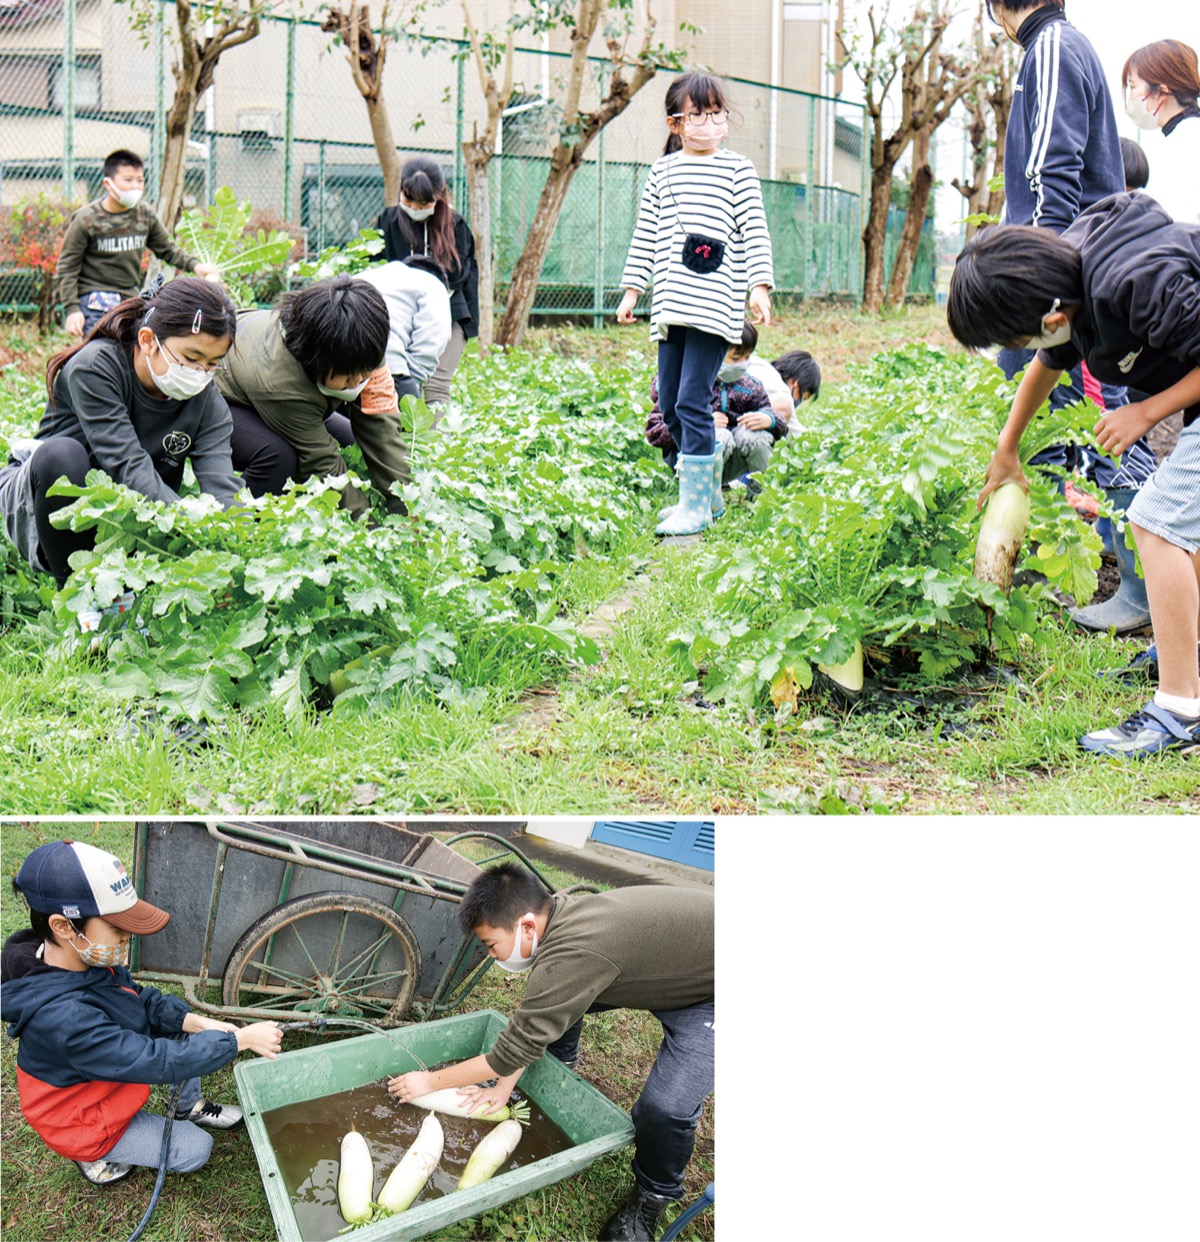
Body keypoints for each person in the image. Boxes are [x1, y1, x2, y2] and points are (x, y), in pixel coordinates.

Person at [946, 192, 1200, 757]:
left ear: (1051, 316)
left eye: (1016, 338)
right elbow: (1048, 363)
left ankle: (1181, 710)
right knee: (1186, 521)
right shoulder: (1070, 283)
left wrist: (1146, 411)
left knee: (1157, 521)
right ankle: (1189, 652)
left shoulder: (1136, 283)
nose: (1024, 348)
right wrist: (1006, 447)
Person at [386, 863, 713, 1241]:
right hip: (673, 966)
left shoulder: (576, 951)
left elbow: (516, 1043)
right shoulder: (558, 916)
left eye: (492, 945)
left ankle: (652, 1195)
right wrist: (503, 1087)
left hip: (711, 991)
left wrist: (428, 1081)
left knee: (664, 1109)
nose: (492, 956)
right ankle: (562, 1058)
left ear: (526, 926)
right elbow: (538, 1015)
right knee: (555, 998)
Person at [987, 0, 1157, 635]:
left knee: (1090, 429)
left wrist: (1043, 286)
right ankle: (1110, 555)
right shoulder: (1061, 45)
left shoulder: (1052, 46)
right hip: (1080, 275)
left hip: (1068, 278)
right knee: (1076, 426)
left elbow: (1049, 178)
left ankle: (1142, 578)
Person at [0, 839, 283, 1186]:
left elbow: (136, 999)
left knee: (187, 1034)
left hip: (106, 1078)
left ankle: (186, 1105)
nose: (127, 938)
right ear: (63, 926)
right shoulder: (64, 1019)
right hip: (84, 1118)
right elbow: (154, 1061)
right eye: (118, 930)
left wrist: (196, 1022)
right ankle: (94, 1153)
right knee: (197, 1149)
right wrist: (237, 1040)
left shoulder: (80, 956)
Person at [0, 277, 242, 590]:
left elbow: (221, 483)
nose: (200, 372)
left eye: (212, 364)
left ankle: (113, 586)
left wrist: (240, 541)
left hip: (123, 516)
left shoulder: (207, 400)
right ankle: (75, 595)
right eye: (191, 358)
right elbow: (127, 463)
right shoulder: (96, 366)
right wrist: (187, 526)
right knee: (62, 456)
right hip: (39, 505)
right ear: (148, 339)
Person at [617, 71, 774, 537]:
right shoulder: (662, 173)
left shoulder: (738, 170)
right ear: (676, 123)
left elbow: (755, 230)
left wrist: (759, 287)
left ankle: (697, 506)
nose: (709, 122)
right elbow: (645, 233)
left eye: (716, 113)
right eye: (698, 115)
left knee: (691, 400)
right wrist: (632, 290)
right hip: (670, 307)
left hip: (714, 308)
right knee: (669, 404)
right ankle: (705, 496)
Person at [216, 275, 409, 519]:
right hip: (222, 396)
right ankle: (244, 527)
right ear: (314, 361)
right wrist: (371, 533)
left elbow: (382, 429)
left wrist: (407, 509)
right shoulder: (282, 383)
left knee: (350, 440)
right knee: (277, 455)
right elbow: (323, 465)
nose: (359, 380)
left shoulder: (363, 339)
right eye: (347, 376)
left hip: (280, 396)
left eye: (364, 371)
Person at [56, 150, 220, 338]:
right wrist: (72, 309)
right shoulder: (86, 219)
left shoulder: (144, 215)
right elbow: (67, 266)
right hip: (94, 301)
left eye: (140, 181)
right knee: (101, 354)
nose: (135, 187)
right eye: (128, 180)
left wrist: (197, 266)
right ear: (108, 184)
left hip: (129, 297)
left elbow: (167, 248)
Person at [375, 156, 479, 411]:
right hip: (399, 313)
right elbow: (376, 267)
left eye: (424, 203)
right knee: (400, 382)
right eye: (408, 200)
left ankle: (434, 450)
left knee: (435, 387)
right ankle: (406, 445)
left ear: (439, 196)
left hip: (449, 310)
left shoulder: (454, 225)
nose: (414, 207)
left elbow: (457, 277)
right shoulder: (388, 220)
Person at [646, 332, 781, 515]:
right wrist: (702, 426)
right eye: (735, 358)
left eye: (747, 357)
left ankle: (759, 501)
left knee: (758, 436)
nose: (741, 363)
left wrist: (769, 419)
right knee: (719, 436)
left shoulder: (750, 386)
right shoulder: (689, 382)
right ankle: (702, 502)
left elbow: (777, 420)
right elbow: (655, 430)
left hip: (732, 456)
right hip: (691, 461)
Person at [1122, 39, 1200, 226]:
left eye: (1133, 87)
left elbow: (1177, 223)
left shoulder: (1184, 143)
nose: (1131, 97)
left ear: (1162, 91)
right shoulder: (1186, 135)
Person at [355, 255, 453, 402]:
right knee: (412, 423)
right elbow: (433, 339)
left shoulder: (371, 275)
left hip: (334, 358)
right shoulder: (433, 284)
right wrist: (409, 380)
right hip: (388, 361)